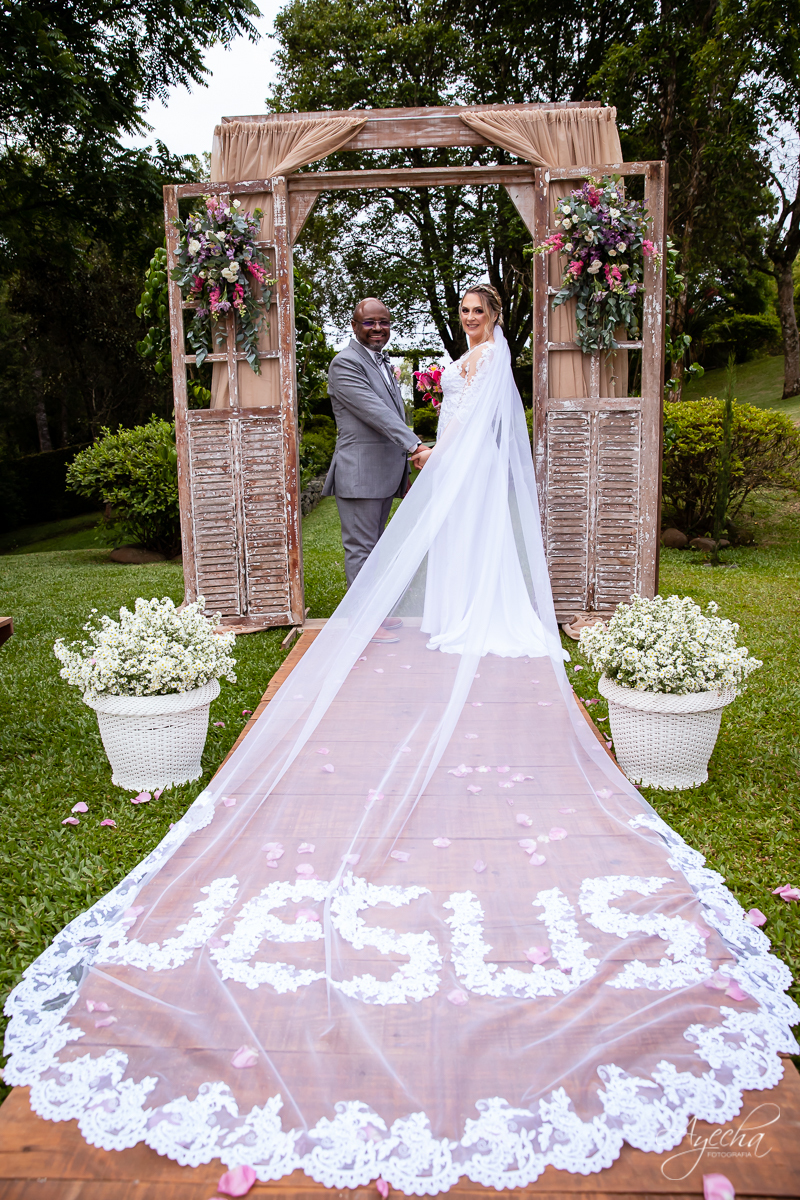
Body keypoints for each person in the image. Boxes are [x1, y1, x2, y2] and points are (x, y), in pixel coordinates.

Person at [5, 283, 795, 1195]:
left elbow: (478, 418)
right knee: (366, 555)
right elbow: (402, 413)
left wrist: (440, 434)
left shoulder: (485, 359)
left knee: (403, 562)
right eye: (456, 314)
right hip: (408, 469)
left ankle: (425, 618)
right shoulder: (370, 363)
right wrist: (430, 434)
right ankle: (389, 623)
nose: (463, 325)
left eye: (473, 313)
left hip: (443, 472)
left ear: (491, 317)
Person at [323, 298, 429, 642]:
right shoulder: (345, 364)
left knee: (375, 547)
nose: (378, 328)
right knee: (361, 549)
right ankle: (362, 624)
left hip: (381, 471)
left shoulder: (380, 362)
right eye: (370, 322)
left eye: (383, 322)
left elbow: (393, 412)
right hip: (360, 472)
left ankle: (375, 614)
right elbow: (375, 412)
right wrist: (415, 445)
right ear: (354, 325)